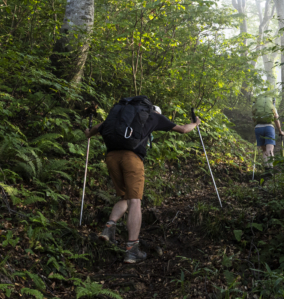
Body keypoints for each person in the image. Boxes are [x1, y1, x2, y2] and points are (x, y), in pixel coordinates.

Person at [84, 103, 200, 264]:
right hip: (131, 158)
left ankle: (109, 229)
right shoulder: (154, 116)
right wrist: (195, 123)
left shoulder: (124, 116)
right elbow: (183, 129)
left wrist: (89, 133)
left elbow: (99, 126)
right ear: (156, 112)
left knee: (124, 196)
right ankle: (132, 250)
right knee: (135, 201)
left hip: (111, 157)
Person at [251, 95, 284, 172]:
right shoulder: (272, 107)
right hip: (269, 127)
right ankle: (271, 169)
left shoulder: (256, 107)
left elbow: (253, 118)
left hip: (258, 128)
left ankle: (266, 169)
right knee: (270, 150)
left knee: (264, 150)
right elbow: (276, 118)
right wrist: (280, 131)